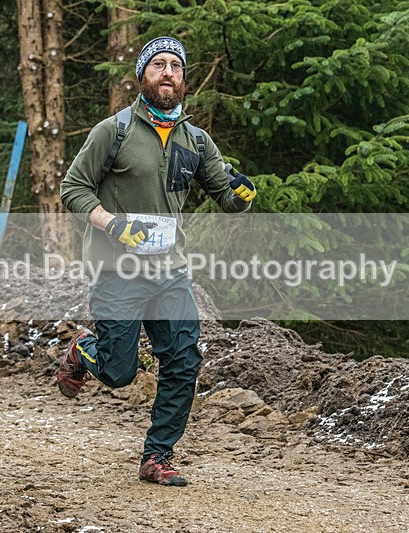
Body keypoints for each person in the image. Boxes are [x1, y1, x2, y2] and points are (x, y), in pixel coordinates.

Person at [58, 36, 256, 486]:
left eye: (176, 66)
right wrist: (111, 224)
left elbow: (226, 197)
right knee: (118, 372)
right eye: (158, 65)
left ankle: (157, 456)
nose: (168, 72)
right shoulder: (114, 131)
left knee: (184, 361)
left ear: (183, 78)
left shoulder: (196, 140)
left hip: (171, 272)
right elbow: (73, 188)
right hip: (118, 270)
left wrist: (242, 195)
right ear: (142, 75)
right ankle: (84, 349)